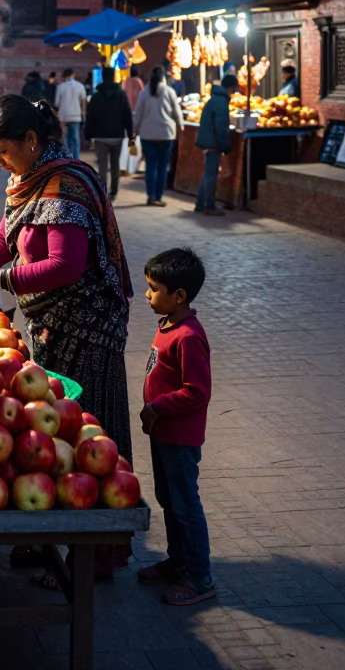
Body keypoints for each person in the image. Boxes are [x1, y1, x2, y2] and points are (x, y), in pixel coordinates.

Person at [0, 94, 134, 468]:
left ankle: (103, 522)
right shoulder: (28, 177)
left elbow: (65, 266)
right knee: (61, 443)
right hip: (51, 326)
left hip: (84, 332)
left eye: (2, 151)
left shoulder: (64, 185)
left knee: (86, 438)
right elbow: (8, 232)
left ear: (30, 140)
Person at [139, 247, 214, 605]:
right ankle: (177, 561)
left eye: (154, 289)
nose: (148, 295)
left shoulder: (188, 336)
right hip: (162, 433)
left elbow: (197, 392)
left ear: (179, 296)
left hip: (180, 439)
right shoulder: (167, 325)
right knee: (168, 500)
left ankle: (200, 576)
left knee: (185, 504)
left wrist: (157, 407)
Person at [133, 66, 184, 207]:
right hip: (166, 134)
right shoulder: (169, 92)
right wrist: (181, 126)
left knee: (151, 166)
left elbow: (138, 115)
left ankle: (150, 196)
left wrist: (135, 131)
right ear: (164, 77)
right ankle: (158, 197)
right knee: (162, 166)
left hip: (147, 134)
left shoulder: (144, 93)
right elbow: (177, 112)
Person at [84, 67, 133, 202]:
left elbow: (90, 117)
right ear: (114, 77)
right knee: (115, 164)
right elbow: (127, 115)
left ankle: (103, 191)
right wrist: (130, 133)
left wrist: (88, 135)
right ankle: (114, 191)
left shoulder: (96, 95)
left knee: (102, 166)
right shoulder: (121, 95)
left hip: (100, 136)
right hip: (117, 135)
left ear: (103, 77)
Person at [195, 74, 238, 216]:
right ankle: (209, 205)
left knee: (207, 173)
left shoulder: (214, 99)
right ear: (231, 88)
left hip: (207, 140)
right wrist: (225, 145)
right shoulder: (221, 103)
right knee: (211, 174)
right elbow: (221, 127)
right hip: (212, 142)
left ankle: (200, 204)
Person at [54, 67, 87, 160]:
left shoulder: (60, 86)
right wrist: (83, 115)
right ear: (73, 74)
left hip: (63, 116)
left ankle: (67, 158)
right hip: (76, 116)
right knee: (75, 139)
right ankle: (76, 159)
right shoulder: (80, 86)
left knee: (65, 140)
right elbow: (83, 101)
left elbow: (57, 103)